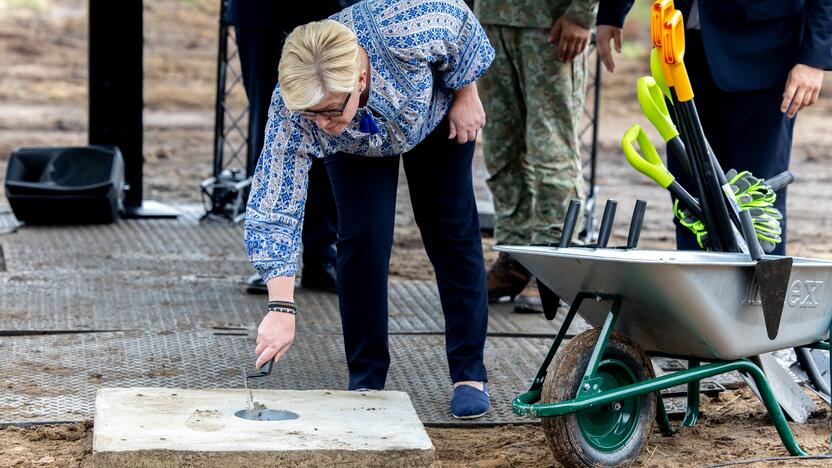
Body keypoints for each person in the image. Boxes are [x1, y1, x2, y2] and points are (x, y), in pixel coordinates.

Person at [244, 0, 495, 419]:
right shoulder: (298, 110)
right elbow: (275, 205)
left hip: (432, 116)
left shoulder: (406, 26)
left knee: (451, 231)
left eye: (327, 110)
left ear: (360, 78)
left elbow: (460, 23)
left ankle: (469, 372)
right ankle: (366, 378)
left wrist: (467, 89)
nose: (319, 123)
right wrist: (281, 307)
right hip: (357, 140)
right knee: (362, 239)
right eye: (311, 113)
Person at [596, 0, 831, 255]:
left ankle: (759, 293)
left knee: (755, 201)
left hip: (764, 51)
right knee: (692, 201)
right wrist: (612, 11)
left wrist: (813, 58)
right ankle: (695, 289)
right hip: (679, 47)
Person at [474, 0, 597, 312]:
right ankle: (515, 257)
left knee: (550, 146)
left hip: (550, 22)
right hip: (490, 18)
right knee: (501, 146)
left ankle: (552, 262)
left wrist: (582, 14)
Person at [227, 0, 341, 293]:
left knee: (329, 125)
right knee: (269, 130)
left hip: (329, 11)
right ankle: (274, 266)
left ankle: (322, 255)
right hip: (262, 14)